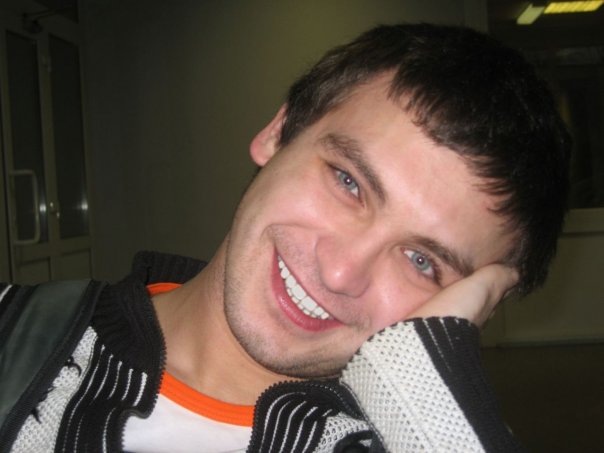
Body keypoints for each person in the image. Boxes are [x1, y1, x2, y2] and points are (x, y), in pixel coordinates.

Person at [0, 23, 570, 452]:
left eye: (421, 261)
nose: (341, 272)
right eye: (348, 182)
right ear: (277, 133)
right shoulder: (14, 333)